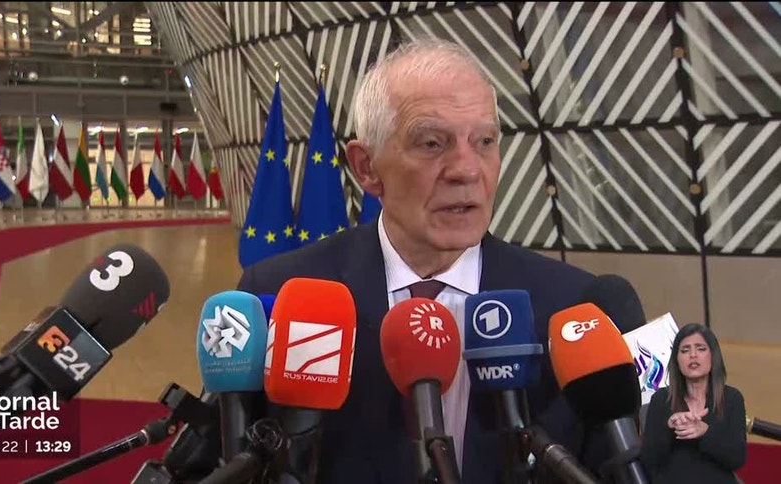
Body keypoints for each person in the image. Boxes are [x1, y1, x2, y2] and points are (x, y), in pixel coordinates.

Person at [237, 37, 609, 483]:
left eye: (485, 141)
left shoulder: (573, 308)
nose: (467, 170)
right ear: (366, 167)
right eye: (432, 143)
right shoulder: (280, 295)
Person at [640, 323, 747, 483]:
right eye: (685, 350)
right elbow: (649, 461)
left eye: (701, 349)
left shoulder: (731, 398)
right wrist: (669, 429)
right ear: (677, 360)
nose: (693, 355)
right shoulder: (661, 399)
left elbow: (737, 458)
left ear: (713, 356)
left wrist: (705, 432)